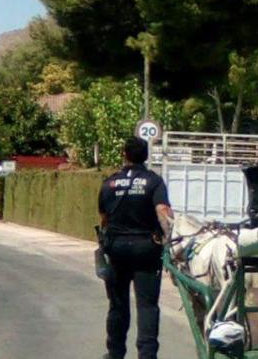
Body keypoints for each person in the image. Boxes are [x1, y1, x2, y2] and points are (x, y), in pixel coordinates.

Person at [99, 137, 174, 359]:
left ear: (125, 154)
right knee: (148, 306)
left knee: (117, 304)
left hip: (117, 250)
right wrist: (170, 240)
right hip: (146, 250)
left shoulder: (109, 183)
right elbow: (163, 212)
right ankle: (147, 355)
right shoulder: (154, 182)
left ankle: (114, 353)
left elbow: (104, 219)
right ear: (146, 156)